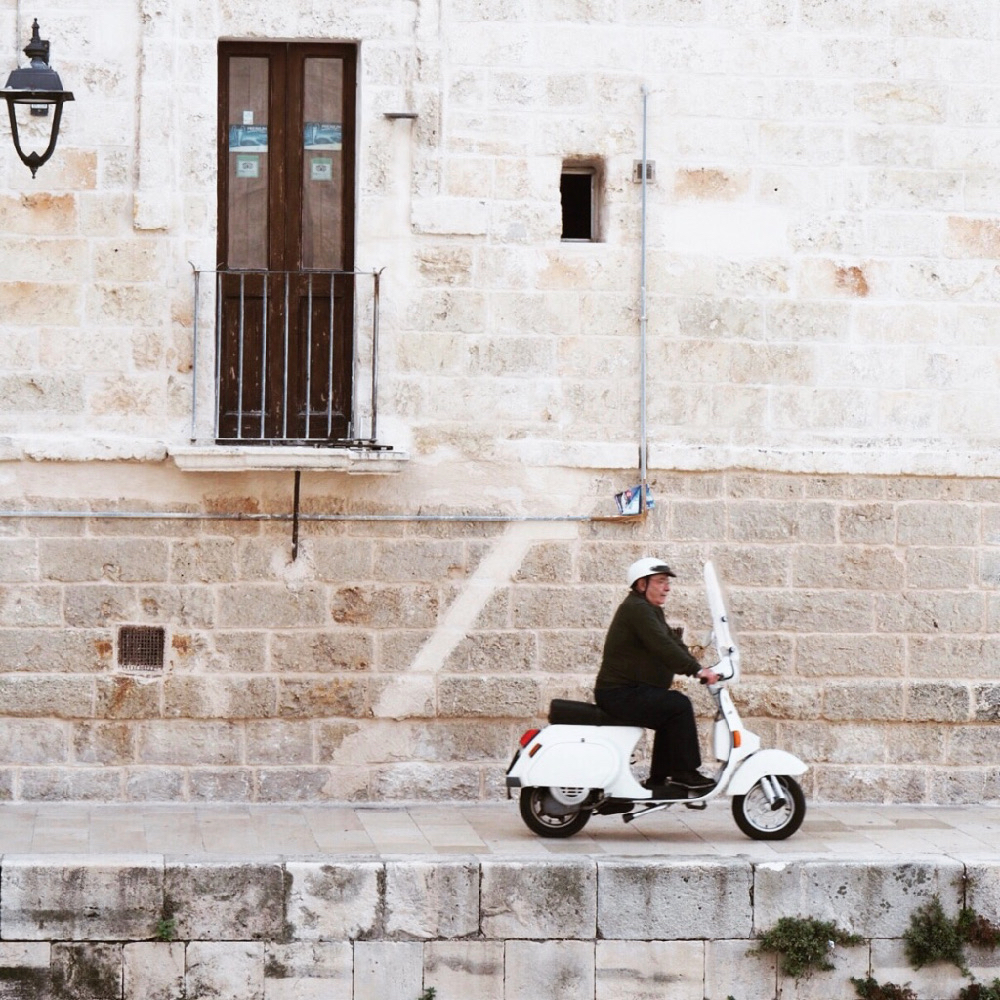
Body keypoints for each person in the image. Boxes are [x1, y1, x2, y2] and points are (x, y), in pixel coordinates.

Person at [594, 557, 720, 793]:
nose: (667, 587)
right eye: (661, 581)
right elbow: (662, 645)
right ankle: (684, 773)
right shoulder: (637, 609)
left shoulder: (649, 610)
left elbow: (672, 641)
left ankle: (658, 779)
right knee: (678, 705)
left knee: (668, 709)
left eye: (667, 582)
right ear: (642, 584)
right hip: (618, 694)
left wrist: (699, 666)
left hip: (627, 691)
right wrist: (697, 671)